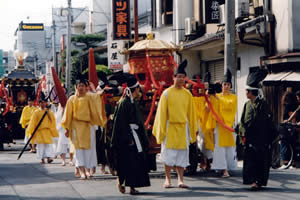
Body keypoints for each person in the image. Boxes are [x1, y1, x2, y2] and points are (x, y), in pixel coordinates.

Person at [153, 60, 197, 188]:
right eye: (179, 77)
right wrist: (161, 129)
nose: (181, 79)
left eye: (183, 77)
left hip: (183, 127)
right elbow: (161, 113)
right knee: (168, 154)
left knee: (182, 154)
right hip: (169, 126)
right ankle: (167, 179)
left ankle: (180, 179)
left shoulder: (188, 94)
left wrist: (194, 129)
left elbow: (192, 113)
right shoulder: (166, 93)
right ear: (174, 78)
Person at [111, 76, 150, 195]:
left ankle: (133, 186)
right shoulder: (124, 103)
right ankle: (121, 181)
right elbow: (121, 122)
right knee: (127, 162)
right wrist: (128, 138)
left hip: (136, 135)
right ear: (136, 89)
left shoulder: (133, 102)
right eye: (139, 89)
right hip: (128, 138)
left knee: (136, 161)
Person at [62, 77, 107, 180]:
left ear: (85, 87)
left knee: (89, 150)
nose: (81, 88)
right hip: (76, 127)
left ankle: (88, 170)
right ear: (76, 87)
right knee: (79, 151)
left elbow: (97, 97)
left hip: (88, 126)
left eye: (83, 85)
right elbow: (68, 114)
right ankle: (82, 171)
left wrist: (102, 91)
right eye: (79, 86)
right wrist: (67, 129)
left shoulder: (89, 97)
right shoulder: (72, 99)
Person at [239, 72, 273, 190]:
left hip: (260, 139)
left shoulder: (263, 105)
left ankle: (258, 181)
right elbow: (242, 120)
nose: (246, 93)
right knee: (249, 161)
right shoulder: (247, 105)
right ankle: (252, 180)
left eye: (247, 91)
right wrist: (242, 131)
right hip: (249, 138)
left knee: (260, 161)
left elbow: (265, 121)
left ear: (252, 92)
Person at [211, 69, 238, 177]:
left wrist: (216, 97)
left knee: (229, 148)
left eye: (228, 84)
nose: (226, 86)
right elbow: (211, 107)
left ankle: (227, 166)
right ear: (221, 86)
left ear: (231, 86)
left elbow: (229, 106)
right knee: (220, 148)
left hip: (229, 125)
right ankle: (223, 168)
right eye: (224, 84)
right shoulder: (217, 96)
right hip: (219, 125)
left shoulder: (233, 98)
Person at [27, 92, 59, 164]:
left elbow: (52, 121)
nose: (42, 104)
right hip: (40, 131)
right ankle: (42, 159)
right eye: (41, 102)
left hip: (47, 131)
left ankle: (49, 157)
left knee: (49, 145)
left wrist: (48, 113)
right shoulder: (36, 112)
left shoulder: (49, 112)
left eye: (44, 102)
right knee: (41, 146)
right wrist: (31, 131)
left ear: (45, 103)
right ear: (39, 103)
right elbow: (33, 122)